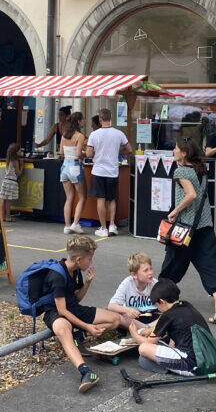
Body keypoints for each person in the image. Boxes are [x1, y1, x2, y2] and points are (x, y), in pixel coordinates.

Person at [158, 137, 216, 324]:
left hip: (185, 229)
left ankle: (160, 304)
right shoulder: (201, 170)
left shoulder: (181, 171)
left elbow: (191, 195)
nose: (173, 150)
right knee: (211, 266)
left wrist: (174, 212)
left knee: (172, 267)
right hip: (204, 225)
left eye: (175, 148)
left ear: (184, 153)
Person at [40, 234, 121, 394]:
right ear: (78, 259)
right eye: (89, 259)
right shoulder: (57, 276)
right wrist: (87, 326)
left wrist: (87, 283)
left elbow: (76, 298)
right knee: (64, 329)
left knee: (115, 319)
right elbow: (62, 310)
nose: (91, 262)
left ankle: (79, 335)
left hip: (73, 308)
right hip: (55, 312)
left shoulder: (75, 270)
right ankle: (85, 371)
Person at [129, 278, 216, 376]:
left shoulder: (168, 315)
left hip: (193, 364)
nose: (158, 309)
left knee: (143, 349)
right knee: (154, 351)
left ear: (161, 301)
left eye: (157, 305)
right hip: (211, 358)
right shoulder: (186, 305)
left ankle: (169, 368)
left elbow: (149, 343)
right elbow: (177, 333)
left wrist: (134, 334)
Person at [86, 108, 131, 237]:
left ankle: (103, 228)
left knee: (101, 199)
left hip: (99, 170)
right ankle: (112, 225)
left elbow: (89, 153)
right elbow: (129, 149)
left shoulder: (94, 134)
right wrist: (118, 150)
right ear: (111, 118)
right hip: (112, 171)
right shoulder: (119, 133)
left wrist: (95, 152)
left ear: (100, 119)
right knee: (111, 199)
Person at [108, 252, 158, 330]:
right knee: (118, 316)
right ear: (134, 275)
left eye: (151, 269)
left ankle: (148, 328)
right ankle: (146, 328)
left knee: (169, 313)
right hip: (134, 318)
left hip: (152, 316)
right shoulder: (127, 283)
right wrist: (127, 309)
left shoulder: (155, 283)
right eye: (146, 271)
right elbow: (111, 306)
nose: (150, 273)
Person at [59, 111, 86, 234]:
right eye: (83, 119)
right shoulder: (80, 136)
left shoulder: (64, 135)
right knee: (82, 197)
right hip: (75, 166)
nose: (84, 121)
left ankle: (67, 226)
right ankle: (75, 223)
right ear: (79, 121)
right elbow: (79, 154)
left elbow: (61, 153)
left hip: (64, 166)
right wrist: (86, 154)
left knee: (69, 197)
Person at [0, 142, 22, 222]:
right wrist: (22, 166)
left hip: (5, 181)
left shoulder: (8, 160)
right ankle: (8, 216)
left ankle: (2, 216)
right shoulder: (15, 161)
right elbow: (18, 173)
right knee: (8, 201)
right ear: (16, 151)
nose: (20, 152)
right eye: (19, 150)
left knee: (3, 199)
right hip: (11, 182)